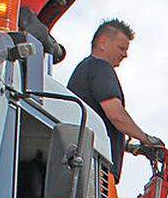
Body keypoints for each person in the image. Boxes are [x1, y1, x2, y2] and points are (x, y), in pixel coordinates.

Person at [67, 19, 162, 188]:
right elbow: (115, 115)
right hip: (95, 171)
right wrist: (146, 139)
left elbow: (99, 126)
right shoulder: (100, 67)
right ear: (103, 43)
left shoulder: (84, 70)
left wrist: (132, 148)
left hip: (81, 165)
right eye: (121, 48)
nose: (125, 54)